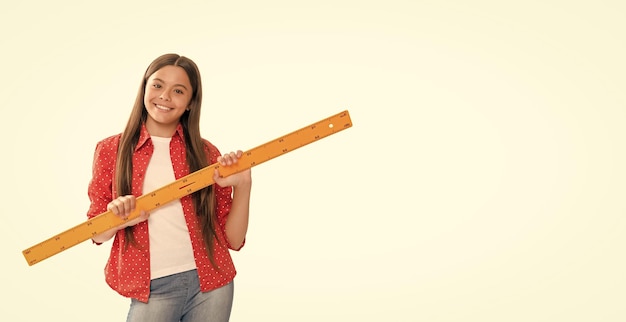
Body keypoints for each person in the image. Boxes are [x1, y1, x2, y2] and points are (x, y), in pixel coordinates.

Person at [86, 53, 252, 322]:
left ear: (190, 103)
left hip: (212, 285)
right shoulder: (111, 151)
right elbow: (97, 232)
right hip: (153, 289)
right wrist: (115, 218)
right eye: (158, 85)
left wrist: (244, 185)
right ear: (144, 88)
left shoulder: (207, 153)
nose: (165, 96)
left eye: (178, 91)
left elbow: (232, 240)